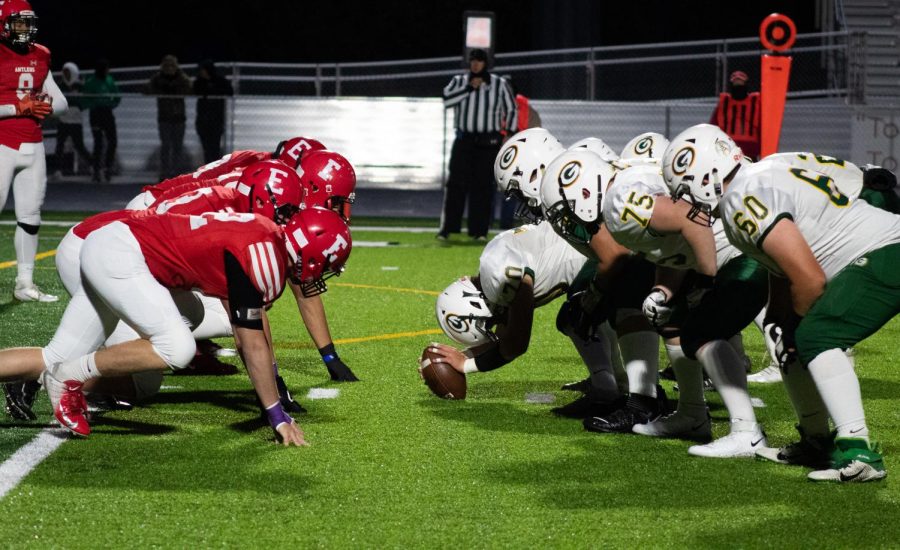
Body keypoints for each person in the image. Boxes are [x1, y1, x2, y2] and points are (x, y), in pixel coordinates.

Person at [670, 123, 900, 482]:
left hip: (883, 251)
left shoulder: (741, 200)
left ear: (705, 175)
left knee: (814, 336)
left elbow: (809, 279)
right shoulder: (765, 171)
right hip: (875, 247)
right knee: (786, 338)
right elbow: (782, 260)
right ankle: (815, 441)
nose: (687, 204)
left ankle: (858, 450)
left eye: (685, 192)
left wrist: (798, 329)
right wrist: (781, 320)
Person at [0, 0, 68, 303]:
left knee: (30, 216)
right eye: (18, 22)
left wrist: (47, 105)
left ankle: (24, 284)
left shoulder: (41, 54)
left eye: (28, 23)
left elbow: (62, 102)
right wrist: (17, 106)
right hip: (2, 143)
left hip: (33, 144)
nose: (25, 29)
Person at [438, 48, 516, 241]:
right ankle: (448, 228)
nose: (475, 64)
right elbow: (447, 101)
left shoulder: (499, 84)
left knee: (482, 187)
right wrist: (469, 89)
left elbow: (511, 109)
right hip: (464, 140)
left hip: (488, 143)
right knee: (455, 184)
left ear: (485, 63)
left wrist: (509, 135)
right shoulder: (459, 81)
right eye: (473, 60)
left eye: (479, 61)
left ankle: (479, 231)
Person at [147, 54, 191, 180]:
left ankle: (176, 173)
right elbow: (147, 89)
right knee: (165, 146)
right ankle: (165, 172)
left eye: (172, 66)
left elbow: (190, 88)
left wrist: (178, 82)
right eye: (167, 66)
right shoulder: (158, 78)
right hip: (164, 117)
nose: (170, 68)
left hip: (179, 117)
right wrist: (161, 88)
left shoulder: (181, 78)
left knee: (178, 145)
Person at [82, 59, 120, 183]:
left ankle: (108, 167)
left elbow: (117, 94)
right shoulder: (91, 82)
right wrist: (95, 104)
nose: (108, 71)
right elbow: (86, 98)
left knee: (112, 141)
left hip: (107, 113)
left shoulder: (109, 79)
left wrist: (112, 103)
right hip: (96, 114)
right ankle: (97, 169)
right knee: (98, 143)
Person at [709, 70, 760, 161]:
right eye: (736, 84)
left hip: (750, 151)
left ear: (746, 84)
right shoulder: (724, 103)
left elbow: (763, 127)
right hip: (727, 150)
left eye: (740, 83)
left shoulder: (755, 103)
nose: (738, 86)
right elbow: (713, 126)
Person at [52, 62, 91, 178]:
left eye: (68, 73)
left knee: (79, 146)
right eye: (64, 72)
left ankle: (93, 165)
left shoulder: (81, 86)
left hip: (75, 121)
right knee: (60, 145)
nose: (66, 75)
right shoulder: (60, 86)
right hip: (63, 121)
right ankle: (58, 170)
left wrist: (73, 102)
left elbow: (83, 102)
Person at [193, 59, 233, 164]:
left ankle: (215, 168)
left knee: (215, 147)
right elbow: (195, 91)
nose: (201, 72)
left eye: (203, 70)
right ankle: (208, 168)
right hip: (203, 120)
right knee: (206, 148)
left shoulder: (220, 81)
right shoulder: (199, 82)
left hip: (216, 120)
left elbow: (229, 91)